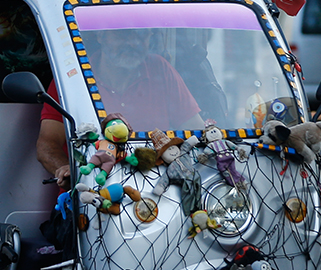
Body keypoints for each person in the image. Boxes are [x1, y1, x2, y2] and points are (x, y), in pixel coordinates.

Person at [36, 30, 202, 187]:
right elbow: (48, 143)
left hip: (158, 191)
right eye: (122, 35)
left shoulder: (160, 69)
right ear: (101, 35)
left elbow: (197, 130)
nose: (133, 42)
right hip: (91, 194)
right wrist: (67, 170)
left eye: (142, 35)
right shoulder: (73, 77)